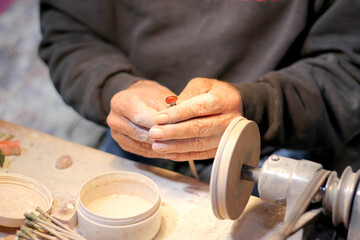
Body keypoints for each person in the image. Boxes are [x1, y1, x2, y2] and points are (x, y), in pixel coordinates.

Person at [38, 0, 360, 179]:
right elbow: (70, 34)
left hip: (279, 140)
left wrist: (258, 107)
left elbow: (348, 68)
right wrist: (118, 85)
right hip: (137, 134)